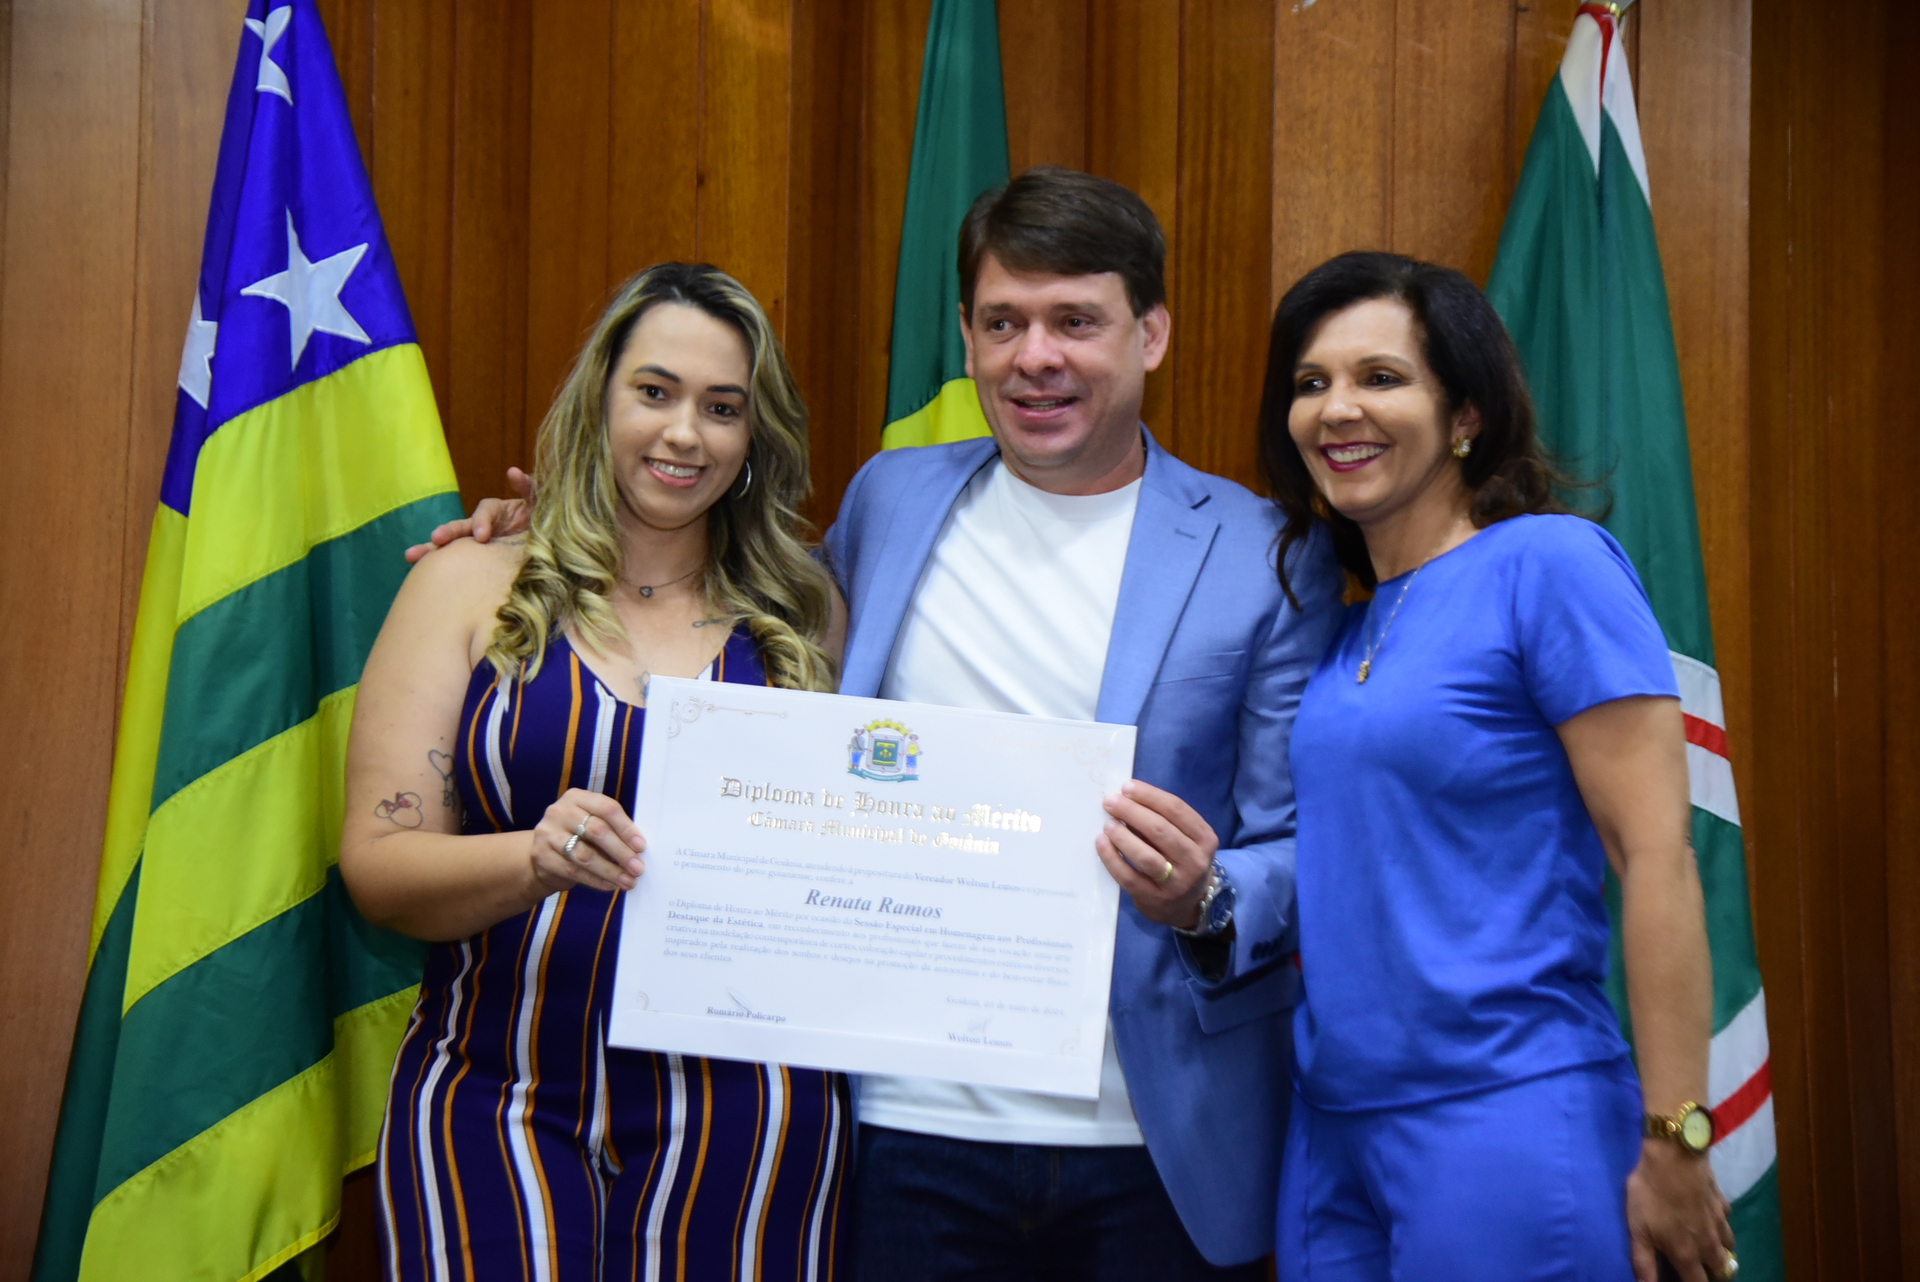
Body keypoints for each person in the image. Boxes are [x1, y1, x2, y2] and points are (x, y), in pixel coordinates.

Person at [424, 168, 1344, 1278]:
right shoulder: (889, 500)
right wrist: (548, 525)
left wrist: (1205, 896)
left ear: (1150, 334)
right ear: (965, 336)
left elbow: (1306, 845)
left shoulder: (1265, 552)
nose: (1034, 357)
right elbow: (715, 590)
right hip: (901, 1133)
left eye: (1075, 322)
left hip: (1150, 1139)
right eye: (1002, 322)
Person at [338, 262, 851, 1281]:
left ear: (755, 438)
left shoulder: (805, 617)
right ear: (600, 401)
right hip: (492, 1090)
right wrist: (533, 859)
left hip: (748, 1109)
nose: (683, 433)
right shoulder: (468, 583)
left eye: (722, 408)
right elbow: (378, 867)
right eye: (654, 392)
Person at [1261, 251, 1737, 1282]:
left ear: (1465, 413)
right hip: (1328, 1130)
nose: (1337, 409)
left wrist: (1678, 1133)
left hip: (1507, 1114)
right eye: (1311, 382)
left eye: (1380, 377)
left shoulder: (1550, 566)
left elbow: (1655, 856)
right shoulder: (1340, 629)